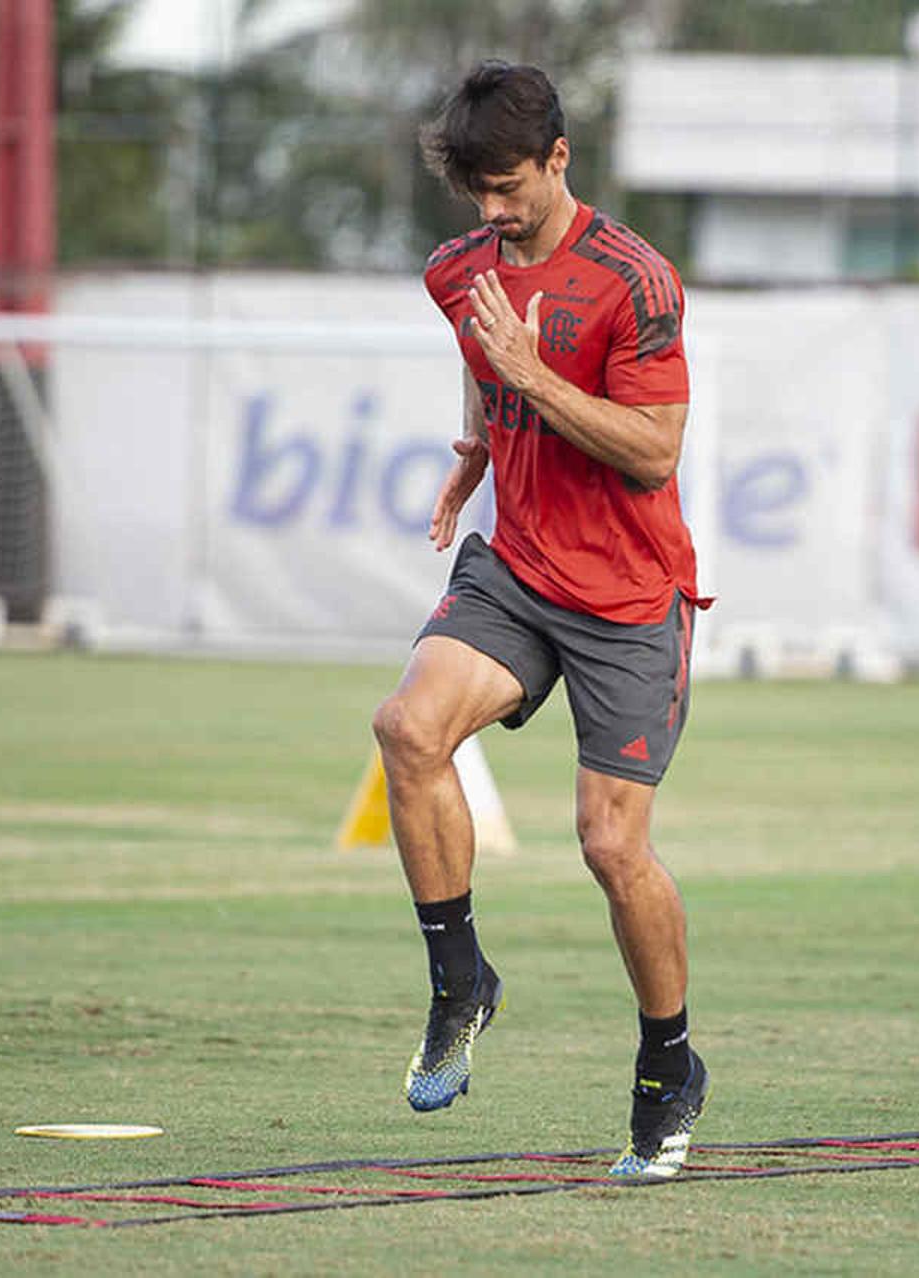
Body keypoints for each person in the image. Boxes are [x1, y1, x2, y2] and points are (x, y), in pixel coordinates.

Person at [371, 61, 709, 1179]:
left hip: (628, 593)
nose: (494, 212)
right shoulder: (457, 268)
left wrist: (532, 373)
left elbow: (654, 449)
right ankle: (460, 981)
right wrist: (476, 444)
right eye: (477, 192)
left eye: (511, 187)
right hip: (518, 566)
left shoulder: (636, 280)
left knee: (612, 845)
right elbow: (480, 357)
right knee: (407, 731)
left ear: (560, 159)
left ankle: (670, 1067)